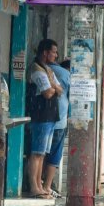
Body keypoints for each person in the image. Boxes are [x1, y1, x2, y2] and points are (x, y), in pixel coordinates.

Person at [27, 39, 62, 198]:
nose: (56, 55)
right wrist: (53, 87)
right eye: (53, 52)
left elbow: (59, 90)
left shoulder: (48, 70)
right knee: (36, 152)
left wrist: (53, 87)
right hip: (41, 117)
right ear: (45, 52)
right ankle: (34, 186)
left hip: (49, 116)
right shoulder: (37, 69)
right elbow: (48, 92)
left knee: (42, 154)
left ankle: (39, 184)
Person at [42, 58, 71, 198]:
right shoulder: (66, 74)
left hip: (42, 118)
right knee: (54, 154)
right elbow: (72, 97)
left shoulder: (39, 69)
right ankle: (46, 186)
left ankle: (39, 183)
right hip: (60, 120)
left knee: (40, 152)